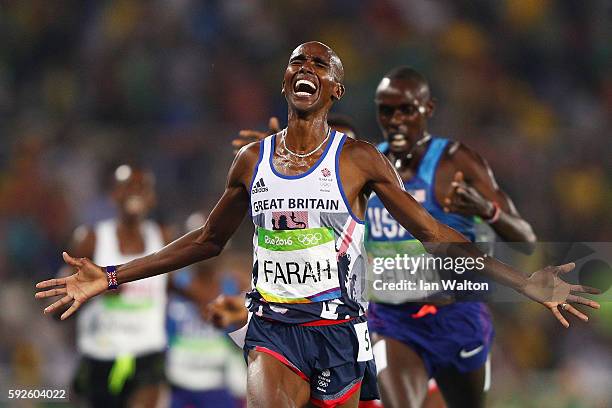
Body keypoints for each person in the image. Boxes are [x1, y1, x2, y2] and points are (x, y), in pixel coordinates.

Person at [36, 41, 599, 408]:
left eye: (319, 65)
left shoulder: (357, 160)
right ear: (286, 82)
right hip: (273, 330)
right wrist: (110, 276)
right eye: (297, 62)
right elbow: (208, 240)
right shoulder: (252, 161)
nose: (306, 68)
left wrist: (524, 283)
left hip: (338, 333)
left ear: (334, 89)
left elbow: (437, 237)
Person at [365, 66, 537, 408]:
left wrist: (488, 210)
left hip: (457, 317)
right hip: (392, 320)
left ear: (427, 110)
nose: (396, 119)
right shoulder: (367, 164)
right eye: (387, 110)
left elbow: (526, 240)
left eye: (406, 109)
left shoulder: (455, 162)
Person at [61, 163, 172, 408]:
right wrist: (93, 293)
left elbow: (179, 286)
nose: (134, 192)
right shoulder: (91, 239)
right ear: (114, 195)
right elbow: (60, 300)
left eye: (141, 187)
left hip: (147, 356)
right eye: (127, 186)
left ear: (152, 197)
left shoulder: (163, 239)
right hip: (99, 356)